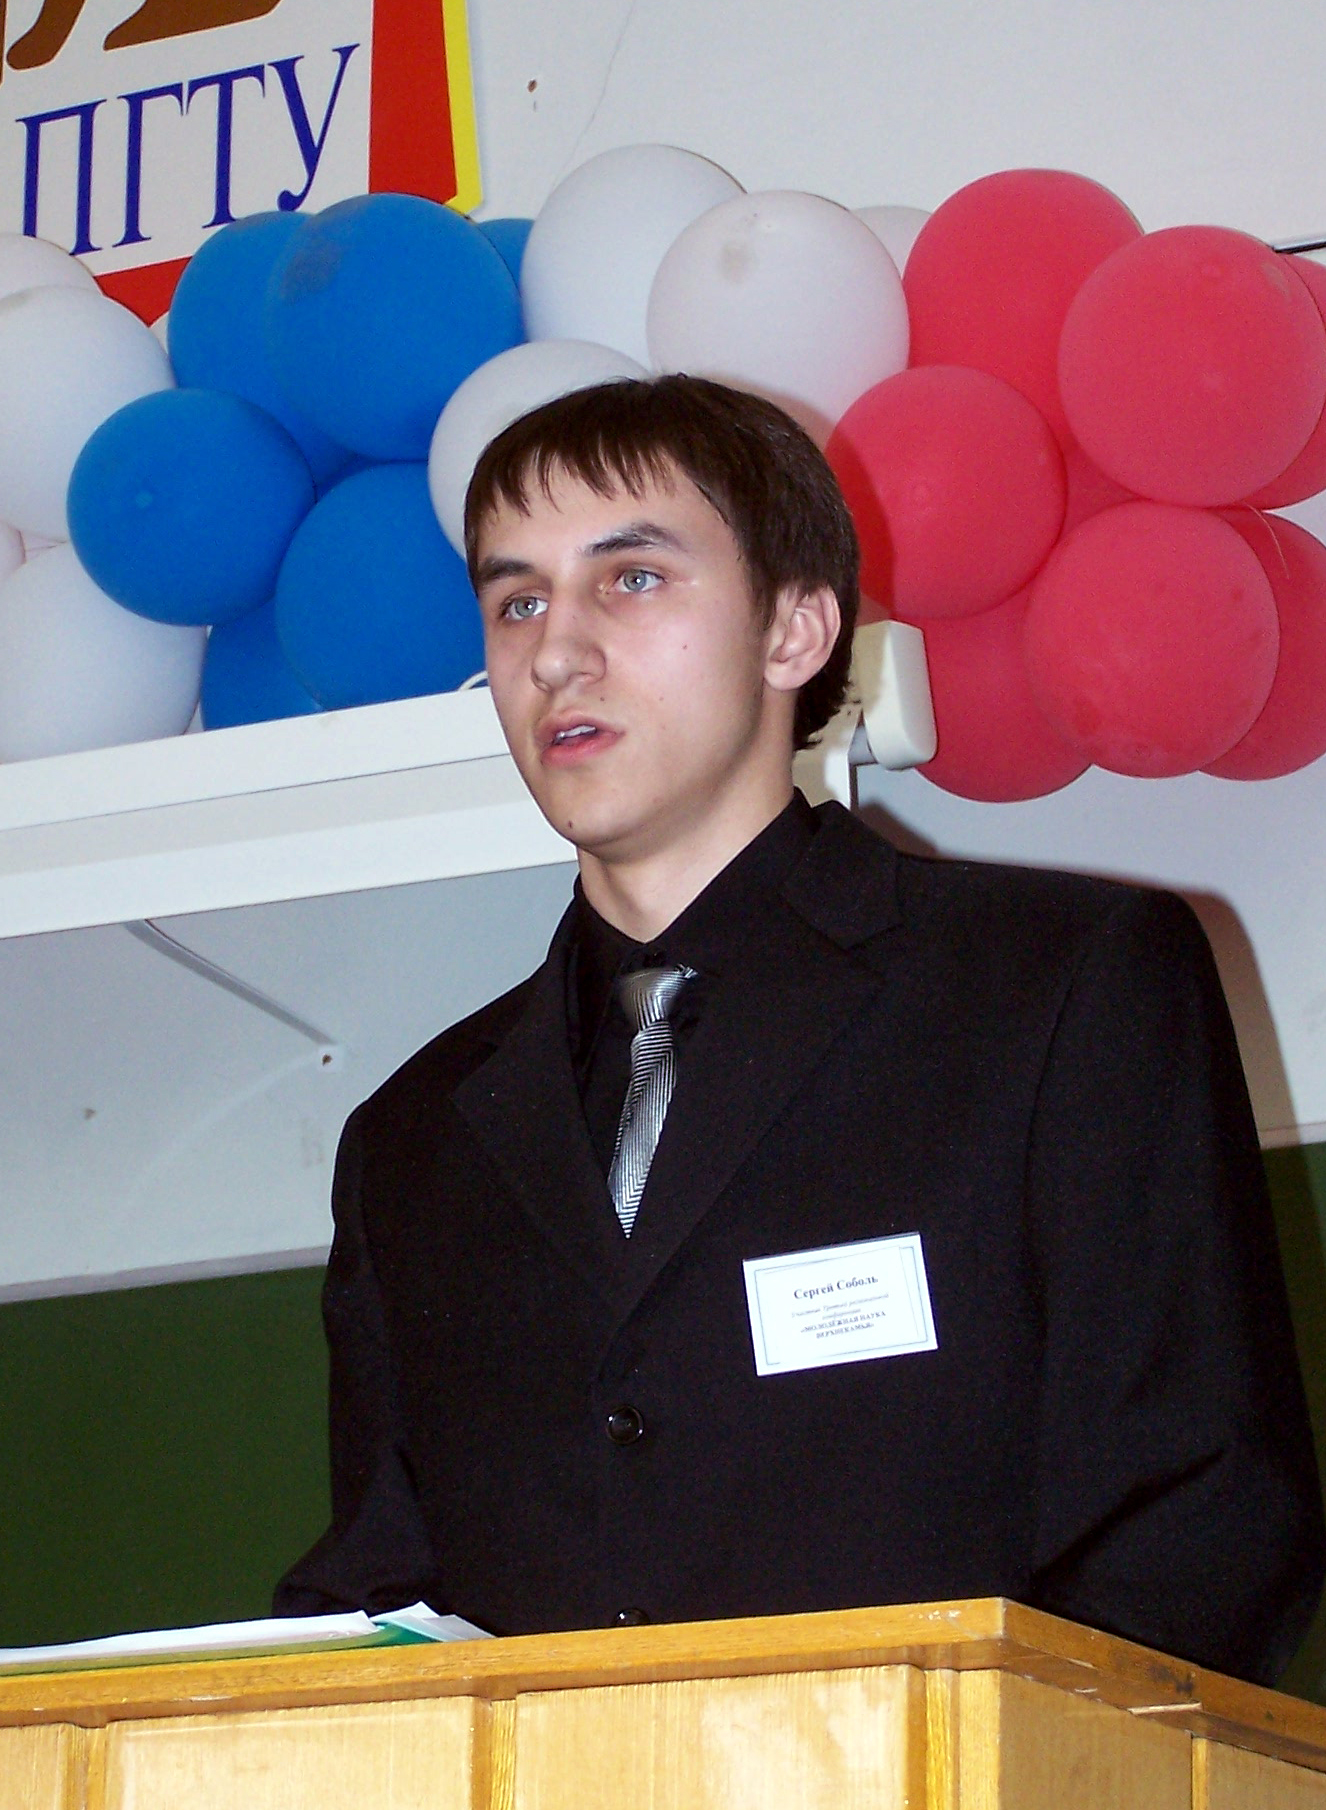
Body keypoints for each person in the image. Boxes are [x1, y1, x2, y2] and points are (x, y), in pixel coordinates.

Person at [275, 375, 1324, 1683]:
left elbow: (1201, 1518)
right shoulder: (413, 1135)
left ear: (794, 630)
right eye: (518, 601)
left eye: (632, 579)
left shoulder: (1059, 986)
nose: (555, 653)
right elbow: (380, 1588)